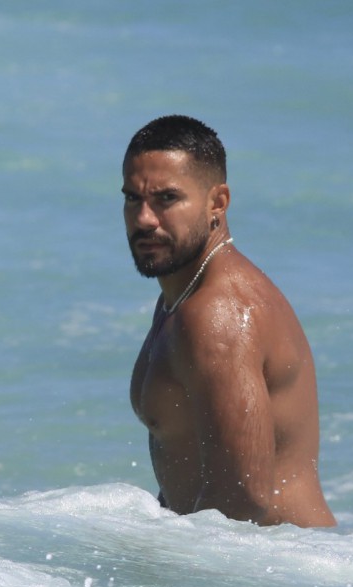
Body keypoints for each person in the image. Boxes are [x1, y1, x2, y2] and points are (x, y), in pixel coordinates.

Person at [123, 115, 336, 528]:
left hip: (278, 574)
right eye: (133, 198)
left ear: (217, 202)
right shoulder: (181, 297)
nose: (145, 218)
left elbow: (242, 497)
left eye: (166, 199)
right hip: (257, 568)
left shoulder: (216, 314)